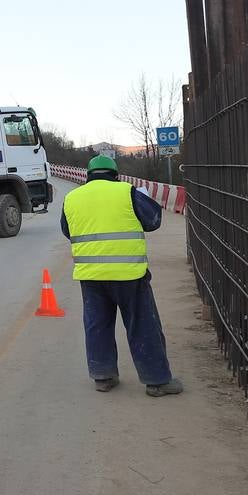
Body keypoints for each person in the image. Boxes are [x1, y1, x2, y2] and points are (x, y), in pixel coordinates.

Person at [60, 154, 183, 397]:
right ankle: (157, 381)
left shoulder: (72, 198)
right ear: (115, 175)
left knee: (97, 326)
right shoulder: (127, 192)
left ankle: (103, 377)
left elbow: (67, 230)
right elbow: (153, 221)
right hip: (129, 274)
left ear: (88, 176)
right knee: (143, 325)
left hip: (91, 275)